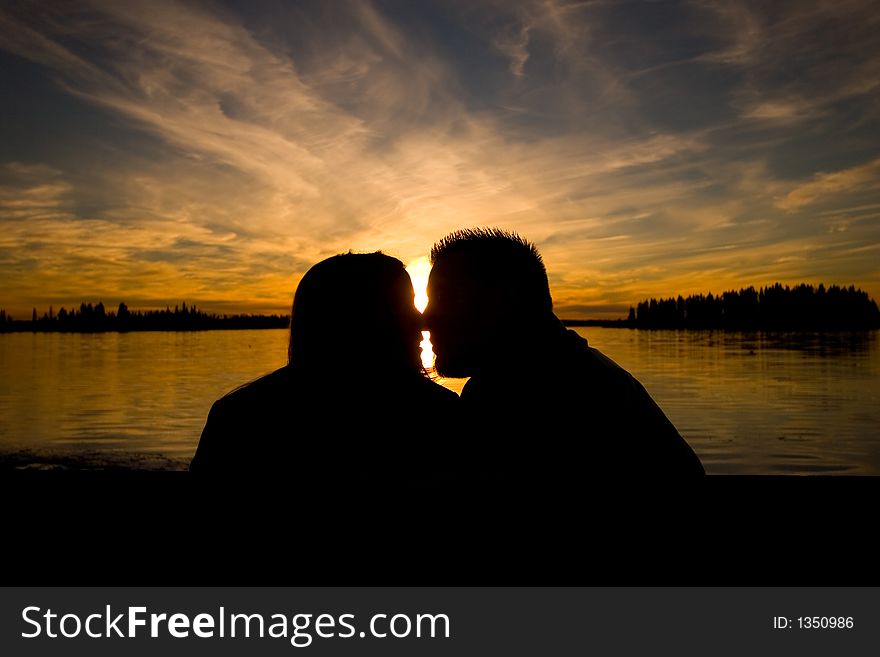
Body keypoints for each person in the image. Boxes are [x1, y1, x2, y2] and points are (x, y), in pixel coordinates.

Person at [423, 228, 704, 480]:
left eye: (445, 297)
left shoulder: (533, 401)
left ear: (504, 301)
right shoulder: (587, 377)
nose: (426, 318)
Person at [190, 252, 459, 487]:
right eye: (405, 305)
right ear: (358, 319)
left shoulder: (239, 415)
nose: (420, 319)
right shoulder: (438, 414)